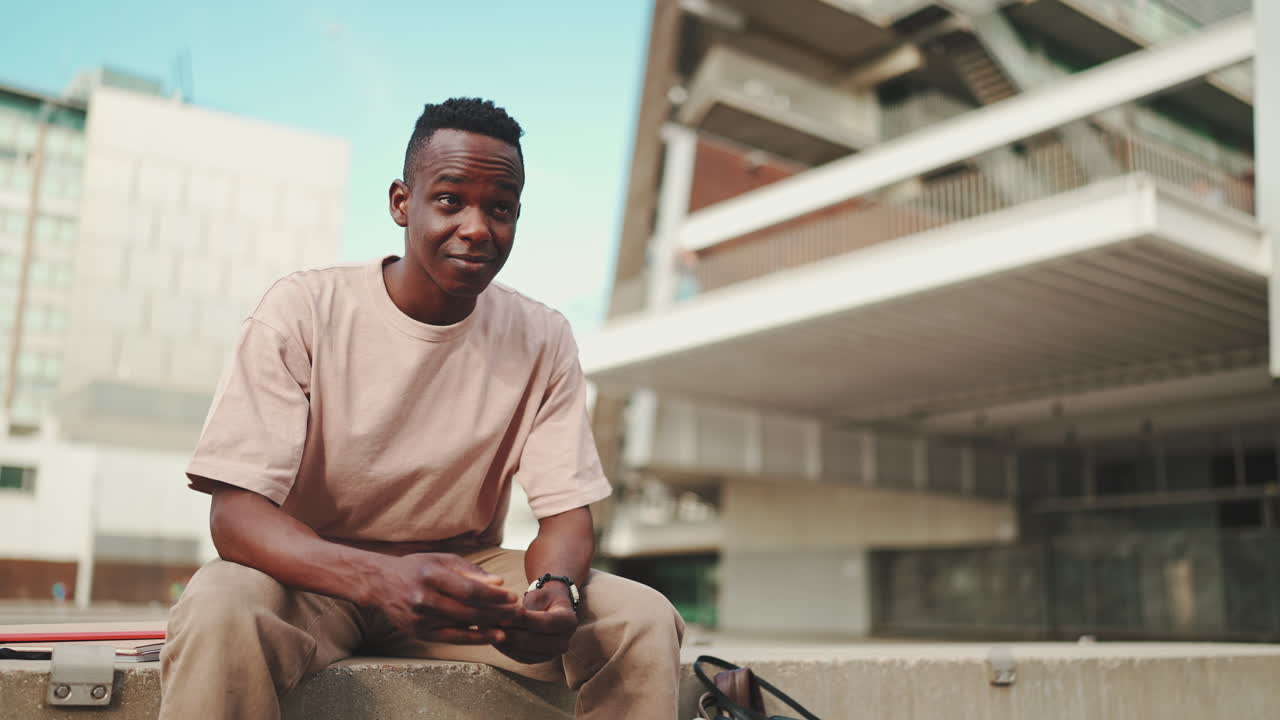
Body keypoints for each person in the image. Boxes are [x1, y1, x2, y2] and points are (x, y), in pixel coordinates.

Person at [158, 98, 685, 719]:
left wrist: (554, 589)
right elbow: (237, 517)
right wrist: (375, 578)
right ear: (401, 203)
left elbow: (567, 517)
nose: (477, 227)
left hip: (464, 585)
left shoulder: (542, 336)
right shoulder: (303, 309)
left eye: (501, 208)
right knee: (219, 603)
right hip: (311, 572)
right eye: (450, 200)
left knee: (642, 618)